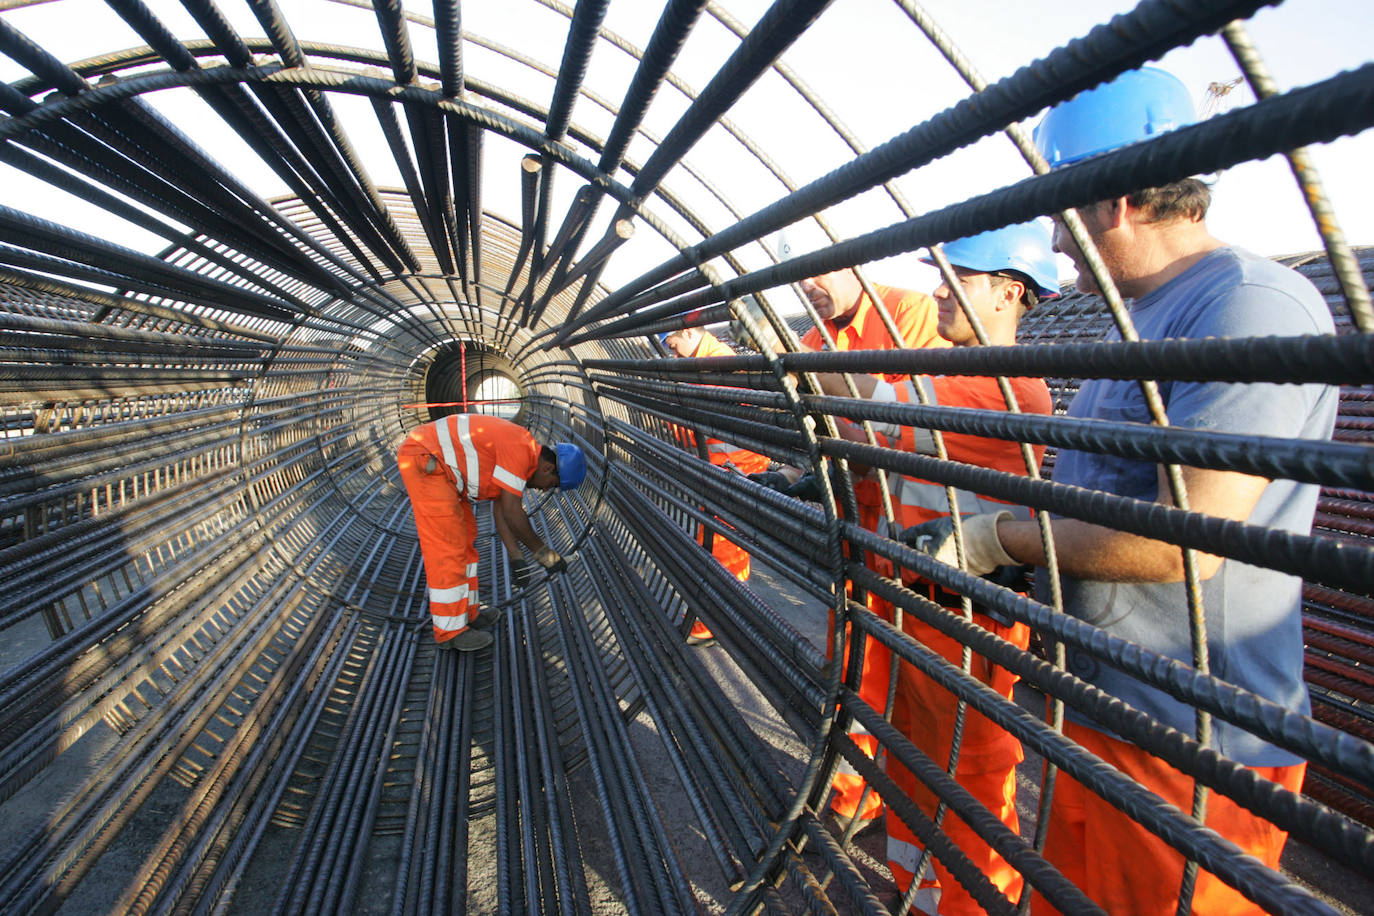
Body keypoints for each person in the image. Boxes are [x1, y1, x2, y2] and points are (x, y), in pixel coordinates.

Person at [904, 68, 1337, 916]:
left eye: (1065, 213)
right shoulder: (1137, 319)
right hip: (1110, 707)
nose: (1058, 245)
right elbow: (1101, 503)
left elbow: (1194, 538)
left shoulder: (1248, 307)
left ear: (1121, 199)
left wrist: (1003, 539)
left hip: (1195, 740)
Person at [813, 223, 1059, 914]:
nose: (938, 291)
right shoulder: (954, 376)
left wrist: (796, 351)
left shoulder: (1006, 390)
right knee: (913, 765)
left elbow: (870, 408)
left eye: (961, 277)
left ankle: (972, 903)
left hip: (966, 619)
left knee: (969, 775)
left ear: (1010, 291)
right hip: (913, 605)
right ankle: (920, 895)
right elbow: (868, 447)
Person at [794, 267, 952, 832]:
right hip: (858, 523)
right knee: (856, 666)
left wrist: (844, 437)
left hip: (916, 527)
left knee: (925, 699)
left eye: (817, 273)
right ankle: (850, 797)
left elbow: (916, 422)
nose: (807, 286)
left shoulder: (908, 314)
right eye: (797, 280)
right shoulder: (814, 338)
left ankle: (902, 809)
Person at [397, 414, 587, 652]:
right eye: (551, 484)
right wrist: (545, 556)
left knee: (465, 542)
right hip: (427, 461)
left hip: (447, 475)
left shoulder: (523, 454)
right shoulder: (520, 449)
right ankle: (449, 631)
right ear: (548, 468)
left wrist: (516, 557)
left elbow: (501, 507)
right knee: (448, 547)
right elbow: (512, 510)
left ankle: (469, 613)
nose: (543, 489)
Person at [662, 326, 771, 645]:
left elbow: (695, 423)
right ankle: (729, 613)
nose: (673, 352)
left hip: (735, 466)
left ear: (688, 332)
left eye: (674, 344)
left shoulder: (717, 366)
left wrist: (669, 418)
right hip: (727, 465)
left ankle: (710, 624)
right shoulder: (705, 363)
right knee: (723, 543)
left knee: (720, 544)